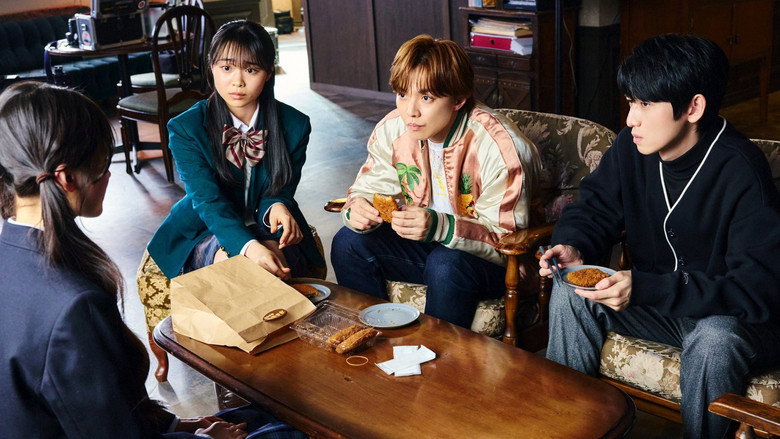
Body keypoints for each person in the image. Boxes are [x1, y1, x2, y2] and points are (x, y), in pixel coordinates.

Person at [0, 82, 308, 437]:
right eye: (102, 164)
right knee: (295, 427)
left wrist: (177, 424)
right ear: (67, 178)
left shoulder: (15, 258)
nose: (108, 175)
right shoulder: (76, 305)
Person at [539, 34, 780, 439]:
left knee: (714, 338)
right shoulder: (630, 148)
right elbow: (593, 209)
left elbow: (754, 289)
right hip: (664, 309)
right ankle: (570, 428)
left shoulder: (740, 169)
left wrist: (647, 287)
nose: (631, 118)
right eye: (631, 102)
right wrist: (573, 246)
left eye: (646, 104)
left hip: (736, 320)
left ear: (693, 107)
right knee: (571, 293)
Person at [330, 35, 541, 329]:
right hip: (429, 249)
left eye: (426, 98)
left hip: (494, 264)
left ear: (458, 99)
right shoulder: (394, 129)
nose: (410, 111)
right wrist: (357, 208)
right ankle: (371, 340)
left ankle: (433, 357)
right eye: (402, 94)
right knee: (347, 242)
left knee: (445, 263)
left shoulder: (500, 146)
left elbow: (506, 242)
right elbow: (366, 189)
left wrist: (439, 226)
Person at [146, 19, 324, 280]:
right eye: (227, 68)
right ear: (211, 67)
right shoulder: (186, 128)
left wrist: (277, 205)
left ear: (269, 72)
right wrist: (248, 246)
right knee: (239, 270)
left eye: (251, 70)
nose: (237, 82)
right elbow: (208, 201)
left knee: (274, 270)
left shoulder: (295, 125)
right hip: (207, 226)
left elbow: (281, 188)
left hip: (267, 224)